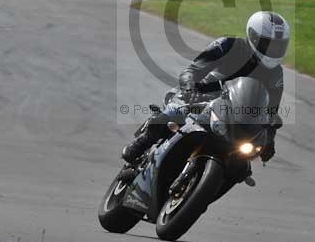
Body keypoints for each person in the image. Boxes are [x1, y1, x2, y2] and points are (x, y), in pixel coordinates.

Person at [121, 11, 290, 165]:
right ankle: (144, 141)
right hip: (201, 98)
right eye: (268, 45)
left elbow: (270, 112)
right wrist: (189, 89)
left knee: (242, 164)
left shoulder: (276, 73)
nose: (273, 50)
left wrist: (270, 140)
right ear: (253, 37)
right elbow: (192, 70)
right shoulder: (228, 45)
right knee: (173, 114)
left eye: (278, 45)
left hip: (234, 115)